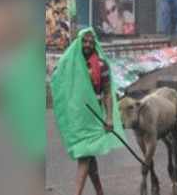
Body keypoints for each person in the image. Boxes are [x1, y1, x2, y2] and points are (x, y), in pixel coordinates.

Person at [51, 27, 127, 195]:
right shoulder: (69, 64)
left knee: (84, 156)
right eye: (84, 41)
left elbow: (107, 93)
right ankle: (100, 191)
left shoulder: (101, 65)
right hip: (77, 117)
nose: (87, 45)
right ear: (78, 42)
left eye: (91, 42)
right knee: (88, 154)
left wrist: (109, 118)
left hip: (94, 116)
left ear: (95, 44)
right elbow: (56, 79)